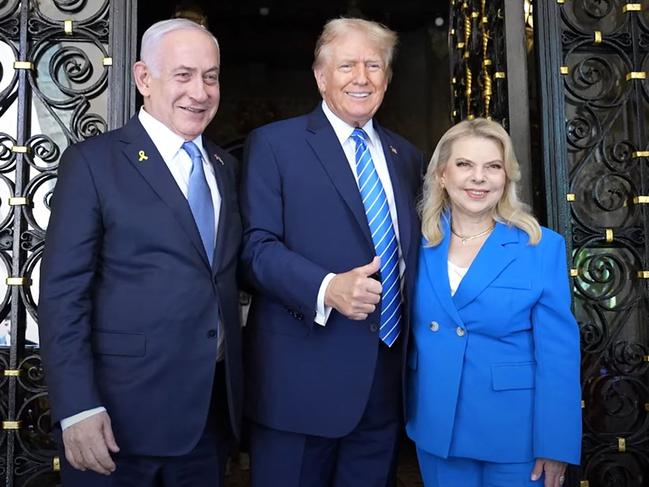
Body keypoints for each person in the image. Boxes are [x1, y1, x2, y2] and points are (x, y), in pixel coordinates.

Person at [38, 18, 242, 486]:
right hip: (116, 423)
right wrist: (77, 407)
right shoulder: (93, 162)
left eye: (210, 77)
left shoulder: (222, 166)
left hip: (209, 420)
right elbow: (63, 296)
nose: (200, 91)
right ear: (143, 79)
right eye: (184, 75)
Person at [240, 17, 425, 487]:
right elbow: (254, 249)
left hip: (384, 387)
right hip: (299, 387)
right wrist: (326, 288)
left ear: (387, 78)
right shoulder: (275, 144)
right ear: (321, 77)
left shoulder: (408, 157)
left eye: (374, 65)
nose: (361, 77)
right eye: (347, 65)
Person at [406, 118, 581, 487]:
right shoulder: (414, 244)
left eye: (492, 166)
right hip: (438, 429)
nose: (479, 177)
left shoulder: (540, 246)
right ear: (441, 175)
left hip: (517, 436)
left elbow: (558, 355)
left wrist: (556, 443)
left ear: (506, 177)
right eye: (465, 165)